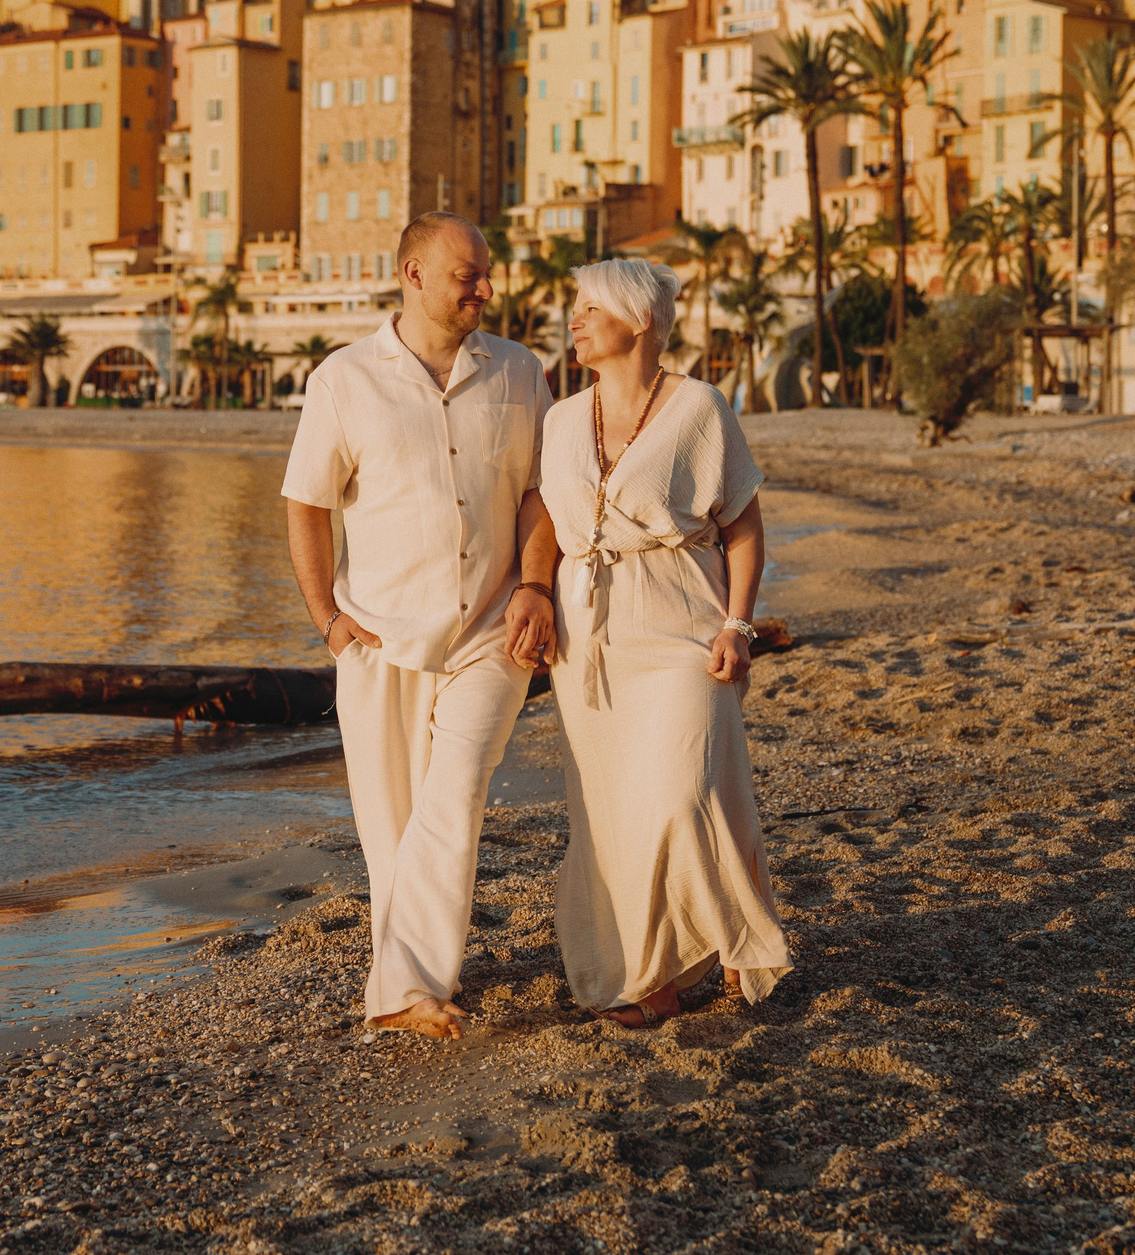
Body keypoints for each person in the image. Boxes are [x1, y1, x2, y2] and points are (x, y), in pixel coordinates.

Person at [282, 213, 559, 1039]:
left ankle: (403, 991)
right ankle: (406, 977)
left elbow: (540, 492)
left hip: (491, 634)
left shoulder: (520, 371)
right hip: (378, 639)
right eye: (467, 275)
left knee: (458, 788)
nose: (486, 288)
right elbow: (305, 503)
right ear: (411, 275)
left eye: (485, 274)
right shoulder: (343, 380)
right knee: (392, 829)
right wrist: (328, 619)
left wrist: (536, 585)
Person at [540, 256, 790, 1026]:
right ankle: (654, 977)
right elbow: (544, 522)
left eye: (589, 308)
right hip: (588, 641)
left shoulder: (699, 409)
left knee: (684, 794)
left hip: (682, 624)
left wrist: (738, 624)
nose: (574, 321)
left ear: (640, 319)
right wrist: (526, 600)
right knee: (614, 809)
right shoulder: (556, 418)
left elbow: (742, 525)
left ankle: (726, 939)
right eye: (573, 309)